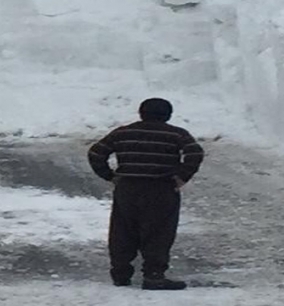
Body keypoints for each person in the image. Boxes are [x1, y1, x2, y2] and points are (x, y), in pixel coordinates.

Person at [87, 98, 204, 290]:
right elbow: (195, 153)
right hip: (161, 188)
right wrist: (182, 176)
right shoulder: (176, 134)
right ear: (168, 115)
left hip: (128, 188)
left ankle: (120, 274)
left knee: (122, 231)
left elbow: (96, 153)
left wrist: (110, 176)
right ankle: (154, 275)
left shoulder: (123, 132)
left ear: (141, 113)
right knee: (159, 232)